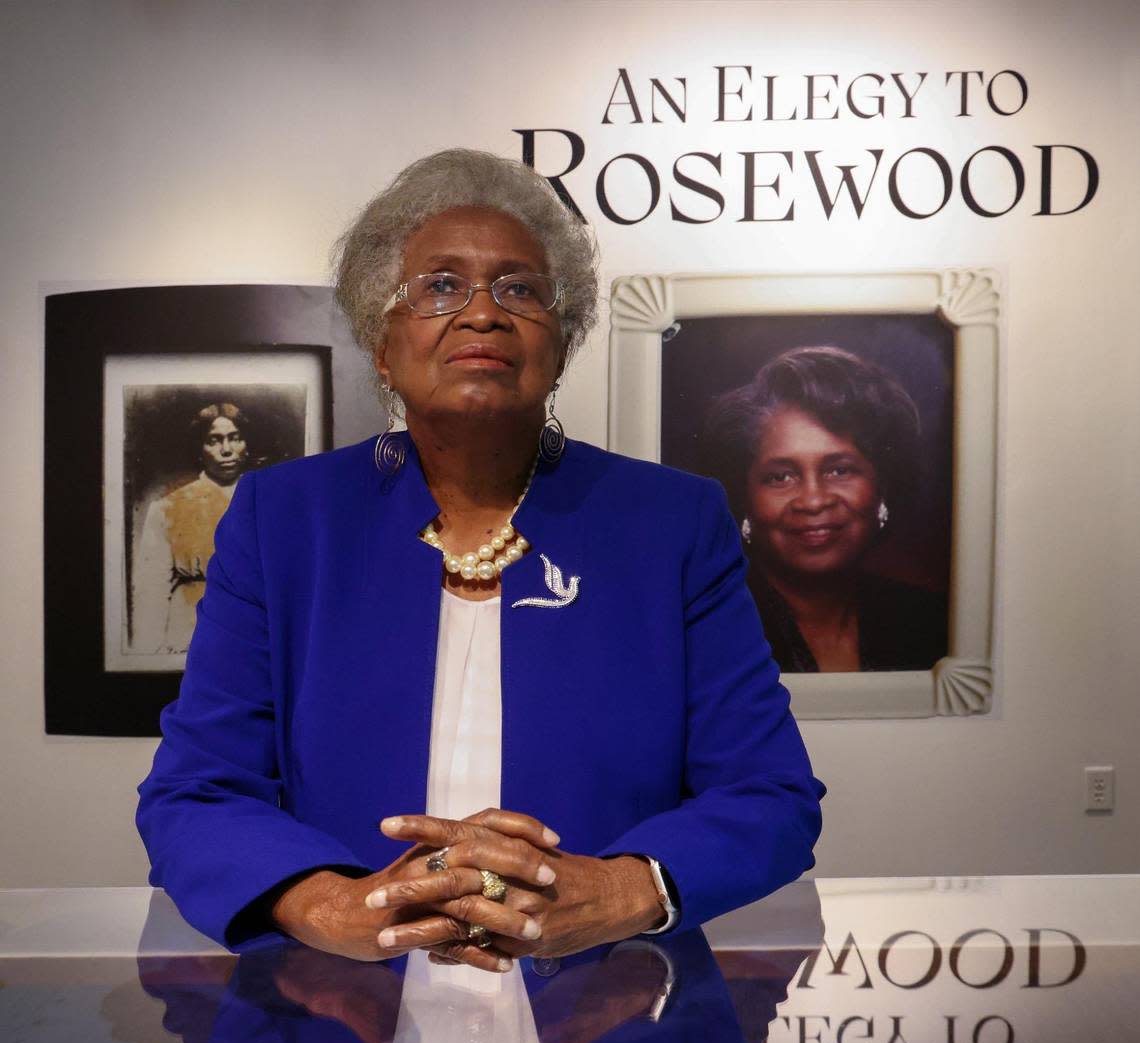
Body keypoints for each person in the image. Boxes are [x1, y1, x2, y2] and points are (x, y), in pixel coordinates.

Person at [137, 149, 823, 987]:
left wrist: (619, 890)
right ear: (381, 346)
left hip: (606, 1012)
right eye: (438, 287)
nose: (482, 314)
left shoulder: (672, 523)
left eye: (520, 289)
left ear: (560, 343)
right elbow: (197, 795)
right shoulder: (285, 520)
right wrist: (333, 907)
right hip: (345, 1014)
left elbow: (769, 797)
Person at [705, 346, 948, 673]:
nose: (814, 500)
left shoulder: (933, 622)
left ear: (882, 486)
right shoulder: (706, 630)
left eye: (840, 470)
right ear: (744, 497)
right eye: (780, 476)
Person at [131, 403, 252, 654]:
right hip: (189, 633)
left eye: (235, 438)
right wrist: (147, 655)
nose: (226, 450)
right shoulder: (167, 508)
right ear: (200, 449)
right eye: (214, 440)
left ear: (246, 445)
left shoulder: (272, 503)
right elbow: (150, 595)